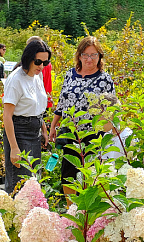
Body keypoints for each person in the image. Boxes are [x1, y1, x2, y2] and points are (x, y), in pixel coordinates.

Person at [49, 36, 115, 196]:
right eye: (85, 54)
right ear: (79, 56)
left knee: (89, 174)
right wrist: (53, 126)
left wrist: (109, 129)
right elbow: (61, 103)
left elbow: (111, 109)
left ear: (100, 57)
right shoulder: (70, 75)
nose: (89, 59)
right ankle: (71, 209)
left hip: (92, 135)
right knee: (68, 173)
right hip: (70, 133)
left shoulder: (104, 79)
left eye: (94, 55)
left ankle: (88, 211)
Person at [2, 38, 52, 193]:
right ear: (28, 58)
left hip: (35, 130)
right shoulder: (16, 80)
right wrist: (14, 148)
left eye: (45, 62)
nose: (41, 66)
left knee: (33, 181)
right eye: (38, 62)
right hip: (19, 131)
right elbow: (7, 116)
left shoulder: (38, 76)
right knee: (20, 183)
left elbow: (37, 106)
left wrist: (43, 129)